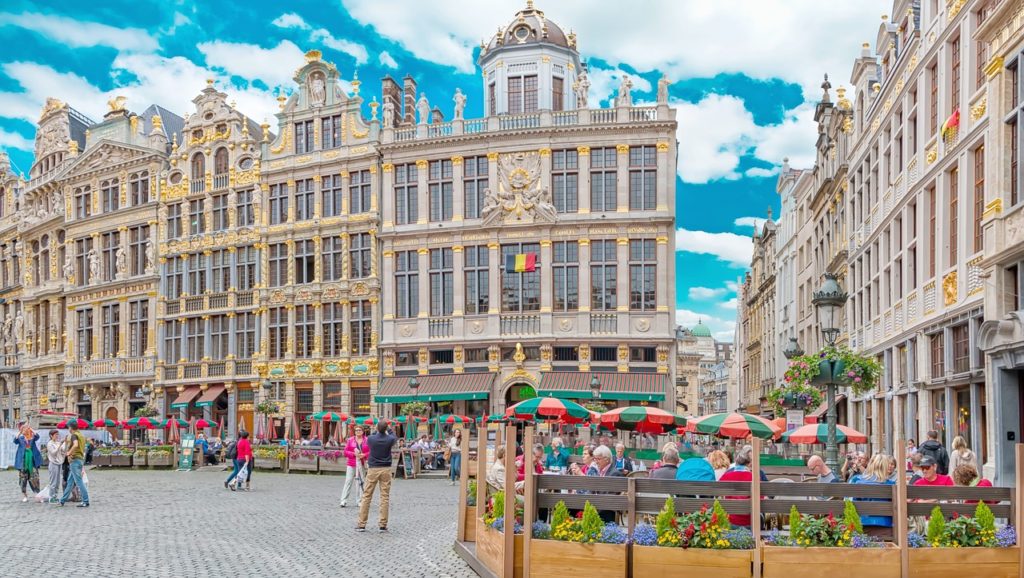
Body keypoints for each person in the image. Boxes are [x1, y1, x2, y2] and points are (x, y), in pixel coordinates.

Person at [357, 422, 398, 533]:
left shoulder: (371, 439)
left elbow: (373, 434)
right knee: (384, 497)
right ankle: (383, 525)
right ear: (386, 428)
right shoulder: (389, 439)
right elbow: (394, 436)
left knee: (367, 496)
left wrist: (377, 429)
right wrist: (388, 429)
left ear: (376, 428)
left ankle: (361, 524)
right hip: (386, 469)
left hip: (373, 469)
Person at [851, 454, 895, 535]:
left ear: (872, 465)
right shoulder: (892, 485)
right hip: (885, 526)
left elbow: (854, 505)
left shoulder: (858, 482)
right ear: (885, 467)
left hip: (863, 525)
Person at [719, 445, 754, 527]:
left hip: (730, 521)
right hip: (749, 521)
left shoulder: (726, 476)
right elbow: (760, 499)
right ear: (749, 464)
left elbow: (719, 496)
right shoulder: (753, 477)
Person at [57, 421, 90, 507]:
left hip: (74, 460)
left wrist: (69, 452)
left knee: (79, 482)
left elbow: (75, 445)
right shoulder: (81, 435)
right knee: (70, 481)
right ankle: (62, 501)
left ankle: (85, 501)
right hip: (79, 460)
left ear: (71, 428)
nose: (68, 429)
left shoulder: (74, 435)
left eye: (68, 427)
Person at [340, 425, 369, 508]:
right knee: (348, 481)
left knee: (361, 482)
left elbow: (371, 451)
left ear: (363, 431)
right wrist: (354, 454)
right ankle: (343, 500)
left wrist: (364, 455)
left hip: (362, 464)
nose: (358, 431)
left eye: (359, 430)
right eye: (356, 430)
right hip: (351, 463)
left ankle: (359, 501)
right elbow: (345, 452)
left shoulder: (367, 440)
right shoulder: (350, 440)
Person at [14, 424, 42, 502]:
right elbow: (15, 440)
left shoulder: (32, 438)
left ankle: (37, 494)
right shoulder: (20, 438)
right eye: (24, 429)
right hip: (22, 462)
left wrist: (31, 429)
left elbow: (37, 436)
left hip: (32, 462)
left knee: (35, 478)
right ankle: (25, 495)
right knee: (23, 479)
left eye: (27, 429)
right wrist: (20, 432)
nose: (26, 431)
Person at [45, 430, 65, 503]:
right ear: (51, 435)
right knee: (53, 481)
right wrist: (60, 445)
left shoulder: (58, 442)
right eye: (56, 434)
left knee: (57, 481)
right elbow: (53, 453)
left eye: (58, 434)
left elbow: (63, 451)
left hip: (59, 463)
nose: (57, 436)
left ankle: (55, 496)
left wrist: (65, 443)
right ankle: (51, 497)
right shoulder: (49, 444)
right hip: (53, 463)